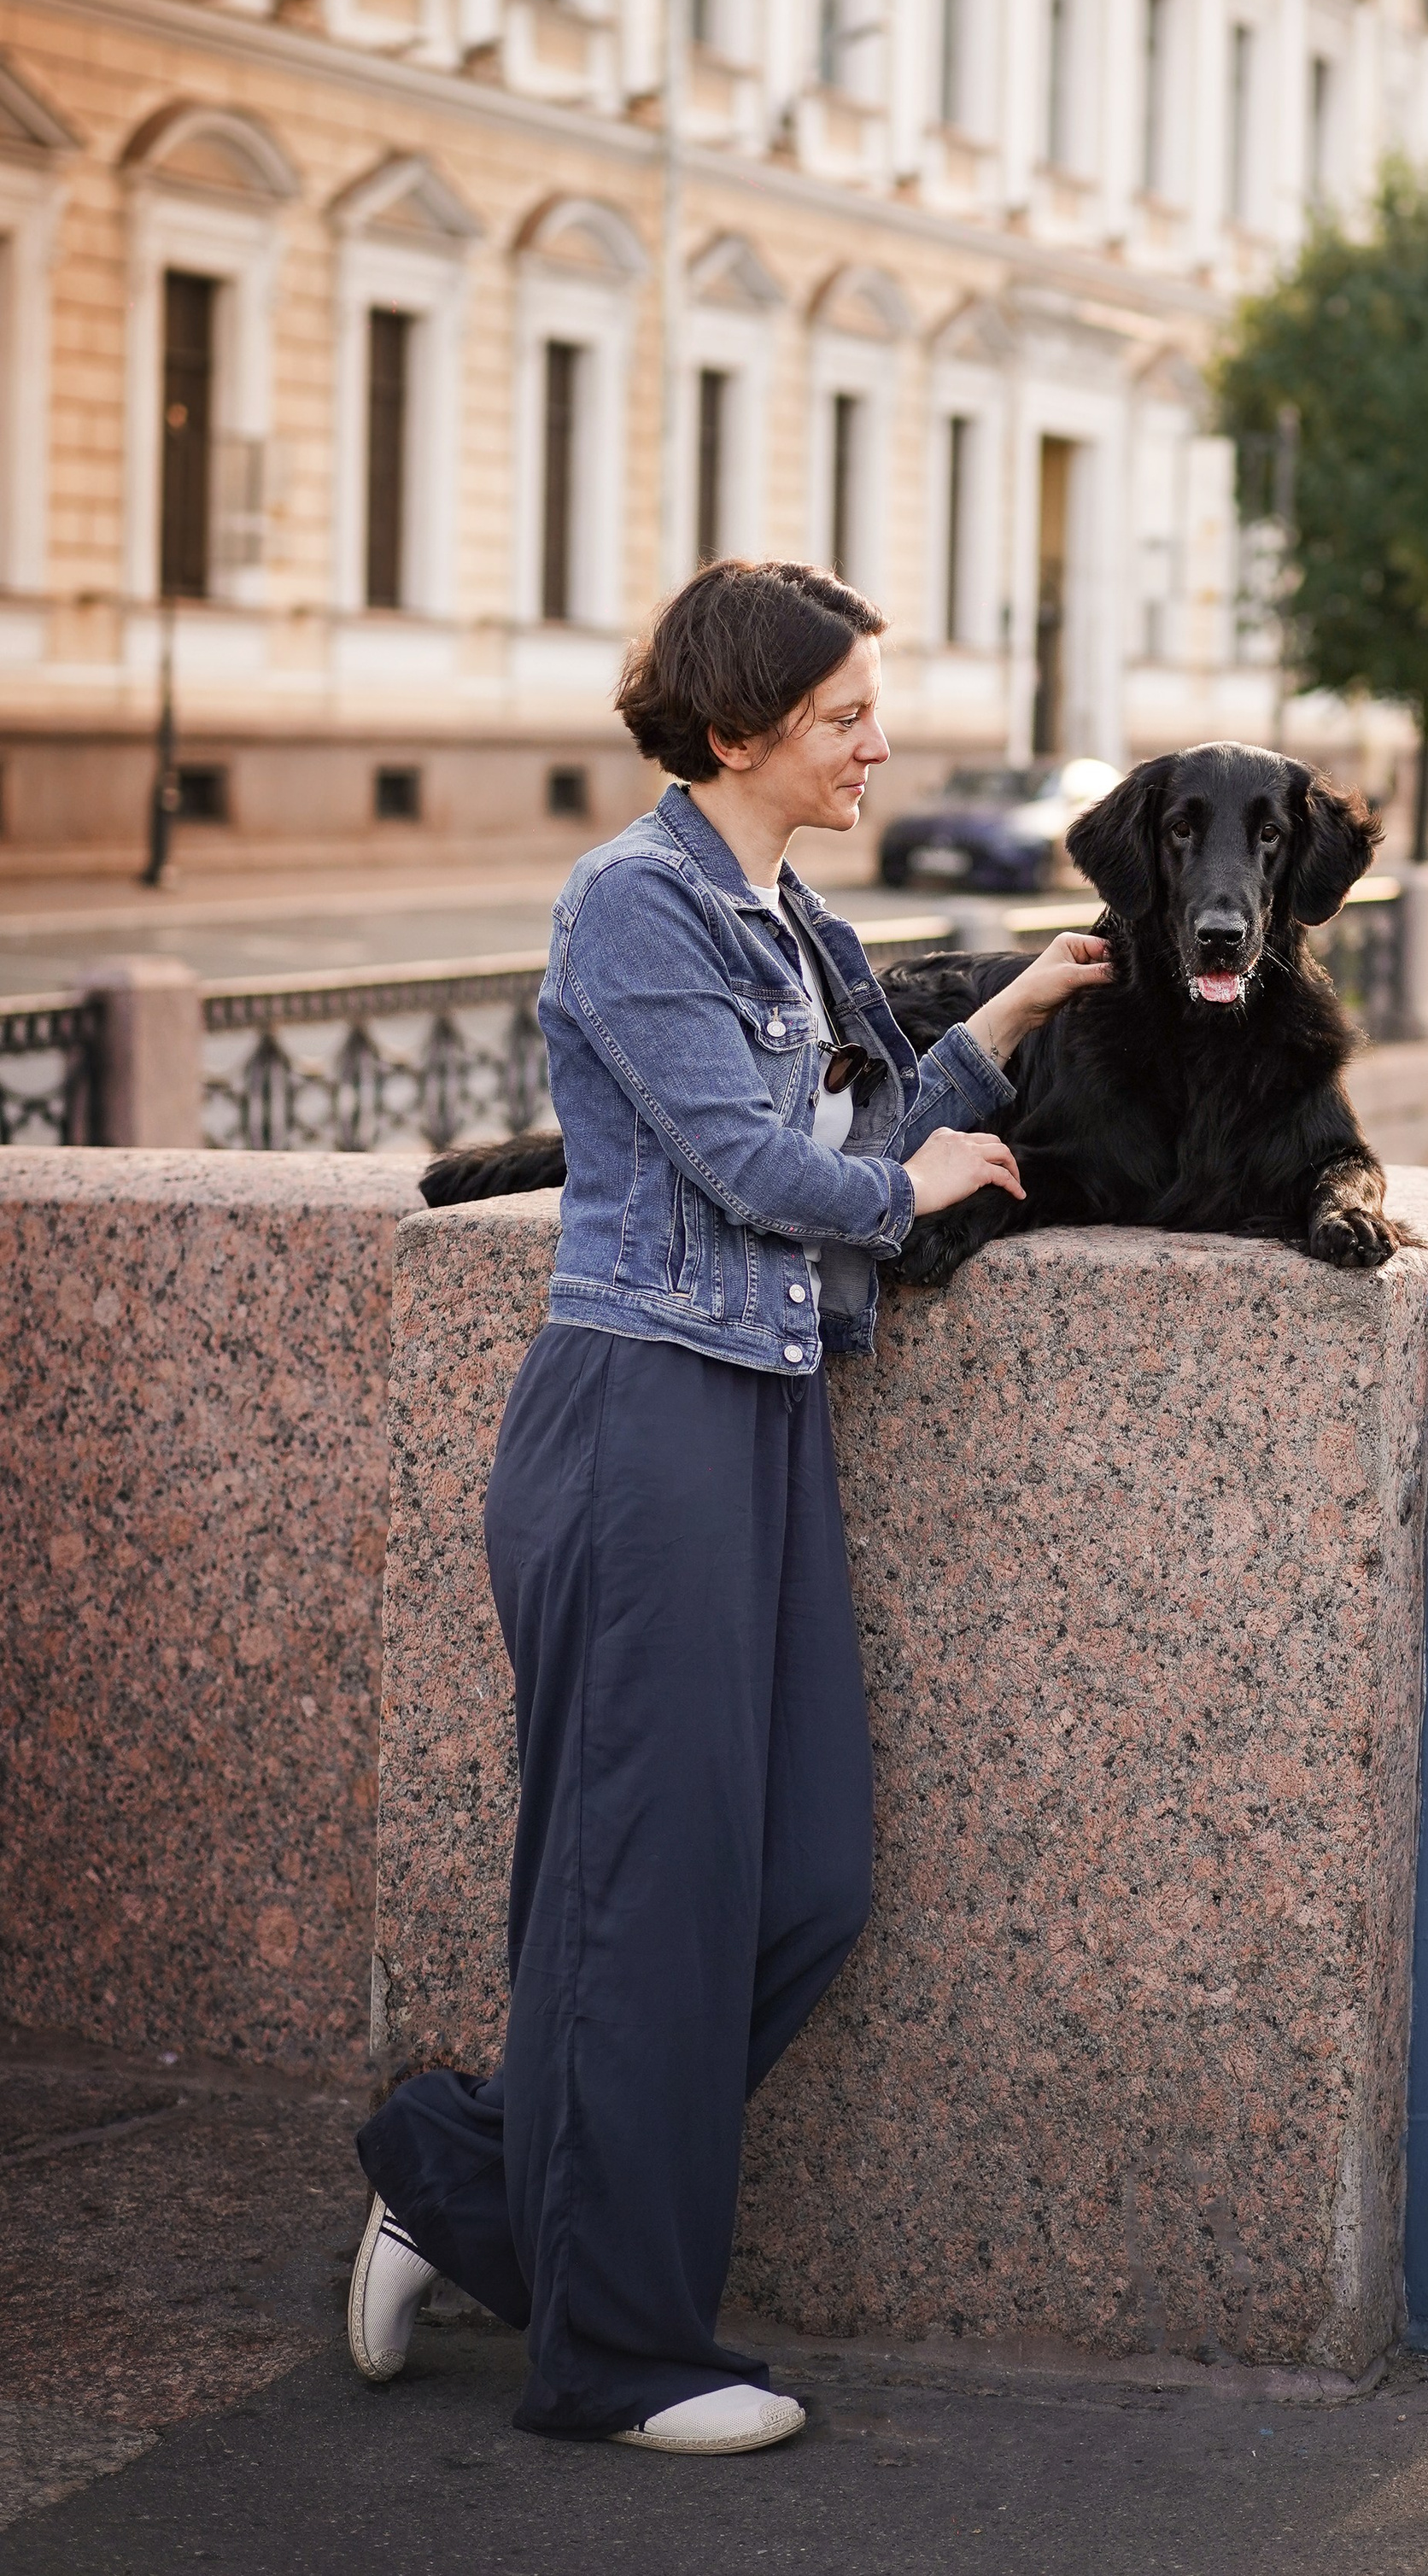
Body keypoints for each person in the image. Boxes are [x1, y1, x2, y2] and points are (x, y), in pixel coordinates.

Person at [345, 560, 1109, 2453]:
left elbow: (858, 1121)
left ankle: (471, 2174)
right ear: (737, 727)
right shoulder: (632, 905)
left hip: (761, 1418)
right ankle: (613, 2352)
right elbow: (755, 1165)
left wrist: (1011, 1014)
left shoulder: (789, 917)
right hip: (635, 1422)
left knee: (800, 1886)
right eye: (846, 713)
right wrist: (912, 1198)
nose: (875, 742)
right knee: (642, 1898)